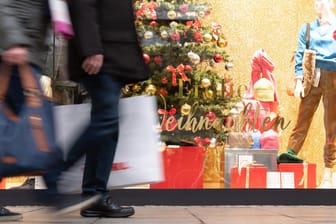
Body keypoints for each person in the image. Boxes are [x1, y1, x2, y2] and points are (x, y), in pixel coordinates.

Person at [0, 0, 100, 215]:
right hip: (17, 51)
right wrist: (13, 42)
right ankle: (53, 193)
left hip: (25, 51)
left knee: (10, 129)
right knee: (40, 126)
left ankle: (54, 192)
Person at [63, 0, 149, 218]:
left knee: (107, 125)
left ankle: (94, 196)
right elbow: (83, 6)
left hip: (112, 55)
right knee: (106, 122)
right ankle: (60, 170)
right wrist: (92, 49)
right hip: (102, 56)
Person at [278, 0, 336, 188]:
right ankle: (289, 157)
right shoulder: (308, 28)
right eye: (315, 2)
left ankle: (329, 171)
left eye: (322, 1)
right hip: (313, 77)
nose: (317, 5)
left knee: (331, 126)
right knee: (302, 119)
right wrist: (298, 81)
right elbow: (300, 54)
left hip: (334, 77)